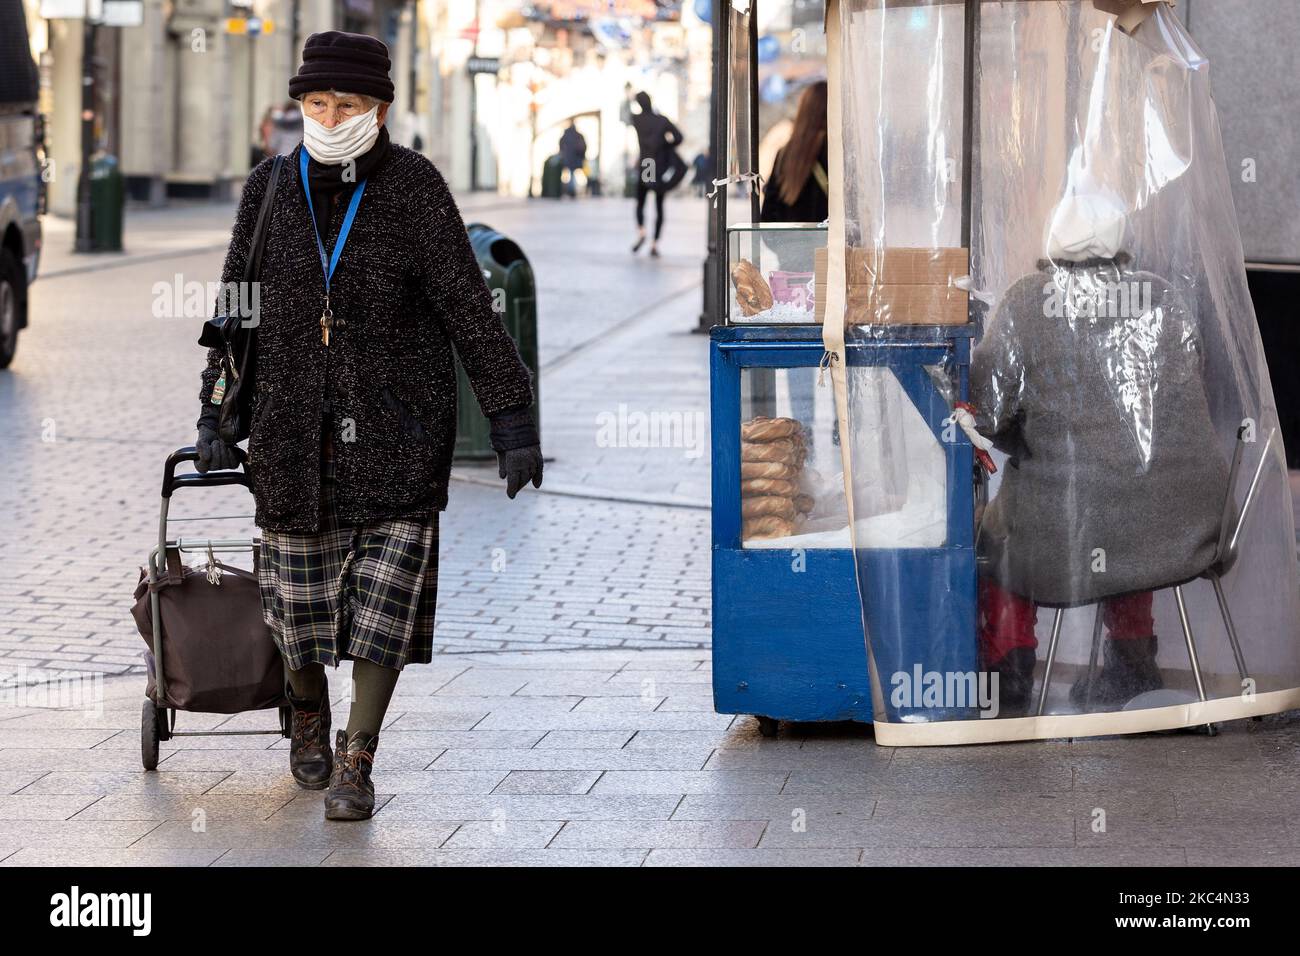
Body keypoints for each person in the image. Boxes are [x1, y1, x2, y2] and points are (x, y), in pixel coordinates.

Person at [193, 32, 543, 821]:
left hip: (401, 434)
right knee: (298, 616)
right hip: (290, 439)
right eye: (314, 103)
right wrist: (215, 410)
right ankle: (308, 712)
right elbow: (234, 310)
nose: (327, 116)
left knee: (382, 617)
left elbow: (467, 307)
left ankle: (357, 756)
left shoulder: (415, 187)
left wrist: (512, 416)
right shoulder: (270, 187)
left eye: (344, 104)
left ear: (379, 109)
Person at [969, 190, 1228, 717]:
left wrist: (1028, 438)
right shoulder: (1162, 297)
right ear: (1123, 247)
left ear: (1052, 248)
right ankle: (1132, 665)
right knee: (1129, 500)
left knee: (994, 536)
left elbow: (987, 414)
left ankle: (1009, 673)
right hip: (1174, 526)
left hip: (1066, 527)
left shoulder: (1026, 300)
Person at [760, 81, 827, 433]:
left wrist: (790, 252)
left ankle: (804, 436)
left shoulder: (787, 155)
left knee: (801, 361)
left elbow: (765, 223)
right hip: (834, 278)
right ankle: (843, 437)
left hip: (794, 280)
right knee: (841, 357)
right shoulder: (842, 155)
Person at [629, 91, 686, 257]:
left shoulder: (637, 120)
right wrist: (666, 144)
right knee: (659, 206)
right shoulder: (662, 120)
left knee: (641, 202)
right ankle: (654, 243)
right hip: (660, 166)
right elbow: (679, 137)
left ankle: (641, 231)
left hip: (647, 165)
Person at [558, 121, 586, 199]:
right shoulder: (578, 135)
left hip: (567, 158)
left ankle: (570, 190)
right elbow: (584, 146)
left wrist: (562, 154)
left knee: (570, 174)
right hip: (575, 158)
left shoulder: (566, 135)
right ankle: (571, 190)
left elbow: (560, 145)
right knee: (572, 174)